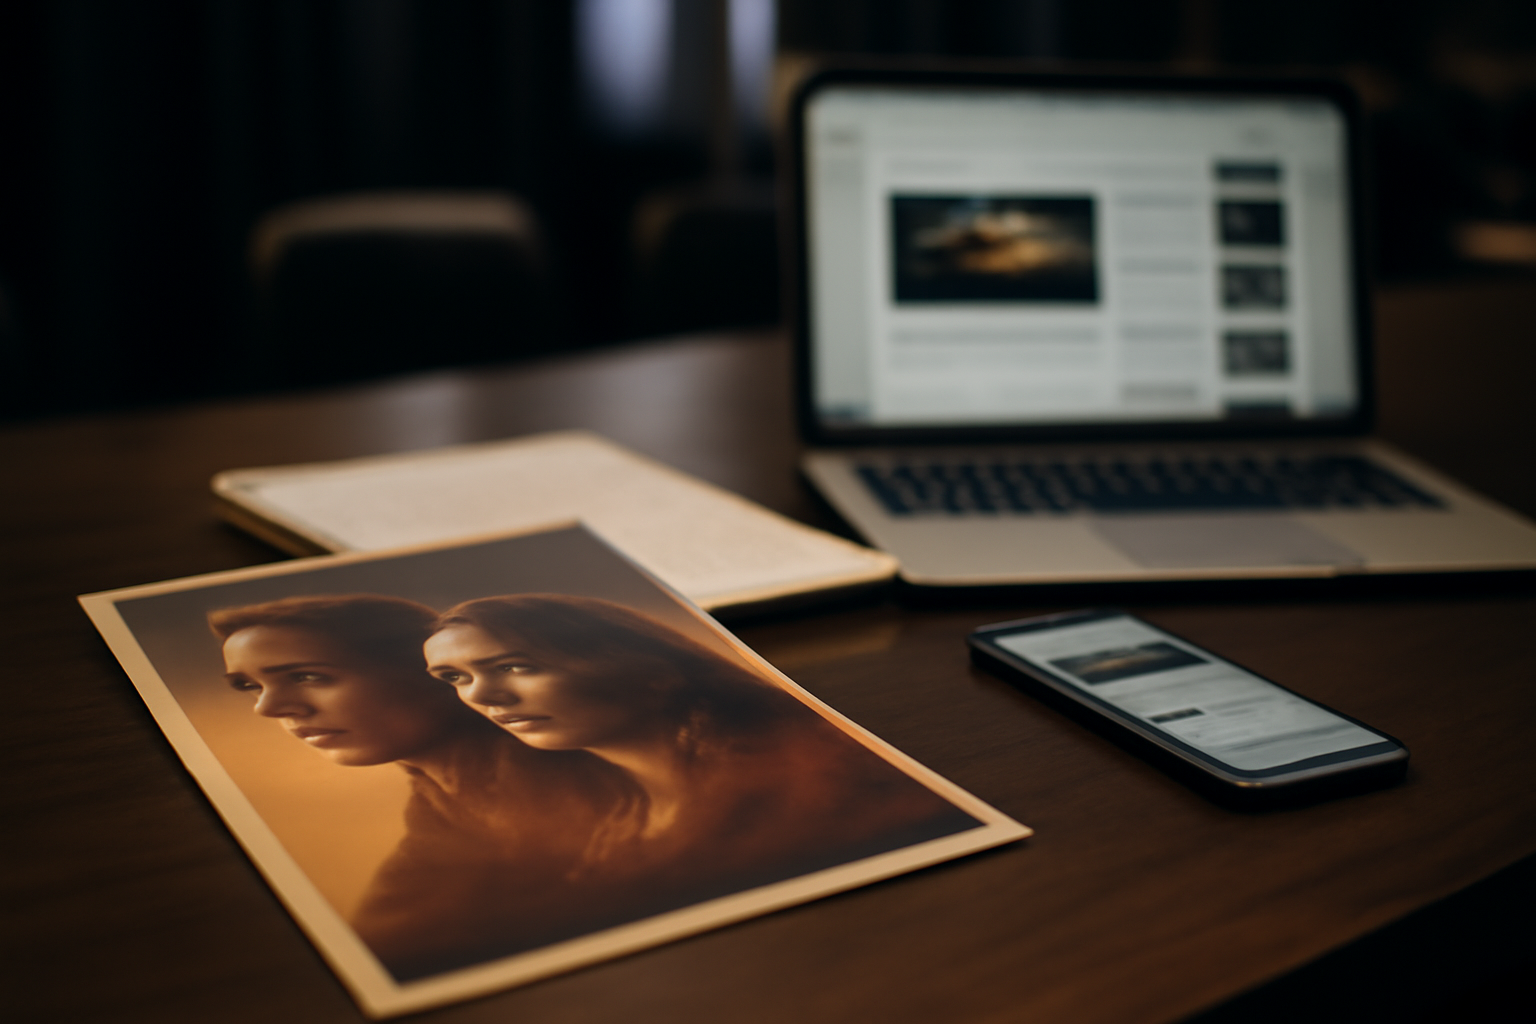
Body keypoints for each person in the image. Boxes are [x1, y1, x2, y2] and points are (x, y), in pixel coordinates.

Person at [423, 594, 980, 917]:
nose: (481, 697)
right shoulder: (605, 818)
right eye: (454, 678)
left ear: (654, 672)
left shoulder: (810, 785)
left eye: (515, 666)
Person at [212, 594, 626, 980]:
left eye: (306, 676)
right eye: (250, 687)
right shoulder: (442, 808)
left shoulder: (559, 785)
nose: (267, 707)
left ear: (428, 673)